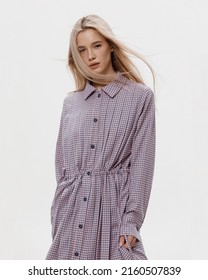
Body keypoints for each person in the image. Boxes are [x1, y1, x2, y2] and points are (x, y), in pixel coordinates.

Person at [46, 14, 156, 260]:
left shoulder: (139, 97)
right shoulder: (71, 103)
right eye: (82, 50)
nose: (90, 56)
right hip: (70, 215)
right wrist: (58, 214)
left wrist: (131, 221)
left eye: (96, 46)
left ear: (110, 47)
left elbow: (142, 165)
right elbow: (62, 170)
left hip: (112, 212)